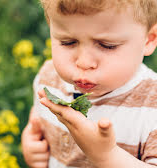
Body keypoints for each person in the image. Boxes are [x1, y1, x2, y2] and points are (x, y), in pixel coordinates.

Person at [21, 0, 157, 167]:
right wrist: (32, 146)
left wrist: (106, 156)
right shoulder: (48, 78)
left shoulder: (152, 105)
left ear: (149, 40)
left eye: (107, 46)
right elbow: (37, 123)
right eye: (67, 42)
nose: (84, 63)